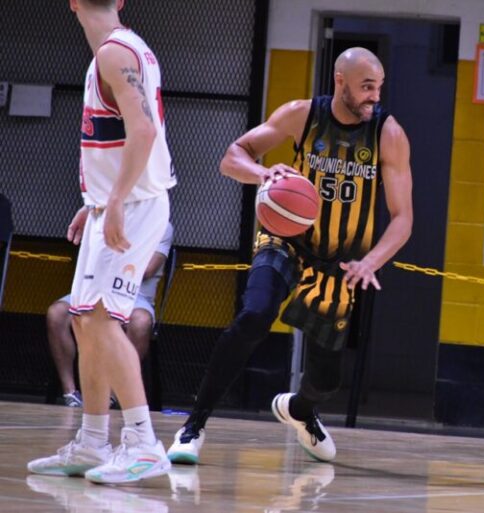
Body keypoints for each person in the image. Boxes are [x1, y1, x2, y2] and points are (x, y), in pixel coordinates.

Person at [167, 47, 413, 464]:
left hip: (340, 261)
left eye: (379, 87)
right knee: (254, 315)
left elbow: (403, 218)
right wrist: (263, 174)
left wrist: (373, 260)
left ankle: (299, 410)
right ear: (341, 82)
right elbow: (232, 157)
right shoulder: (303, 115)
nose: (375, 95)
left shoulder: (387, 134)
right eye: (366, 86)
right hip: (286, 242)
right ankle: (193, 426)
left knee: (327, 380)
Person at [27, 0, 176, 484]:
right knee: (83, 320)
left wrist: (113, 201)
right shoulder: (115, 53)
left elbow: (144, 131)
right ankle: (92, 442)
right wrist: (95, 197)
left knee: (103, 321)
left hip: (134, 206)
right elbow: (116, 139)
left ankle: (143, 444)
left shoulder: (116, 53)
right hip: (112, 203)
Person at [48, 221, 173, 407]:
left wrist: (112, 256)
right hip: (95, 288)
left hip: (134, 295)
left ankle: (112, 396)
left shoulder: (160, 223)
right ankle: (70, 393)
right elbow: (91, 260)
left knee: (141, 322)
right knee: (56, 313)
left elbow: (147, 270)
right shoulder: (102, 215)